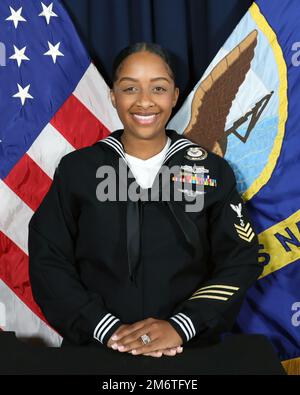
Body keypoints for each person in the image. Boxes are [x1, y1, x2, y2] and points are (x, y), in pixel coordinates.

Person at [28, 42, 263, 359]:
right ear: (113, 95)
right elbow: (48, 260)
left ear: (175, 96)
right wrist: (105, 329)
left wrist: (182, 325)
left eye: (158, 88)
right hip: (96, 350)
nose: (145, 101)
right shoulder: (77, 171)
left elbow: (241, 259)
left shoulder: (212, 171)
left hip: (187, 351)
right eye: (129, 88)